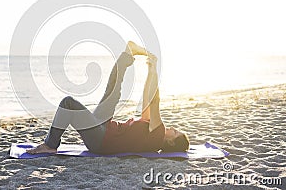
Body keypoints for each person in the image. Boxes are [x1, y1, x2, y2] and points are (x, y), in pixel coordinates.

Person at [27, 41, 189, 155]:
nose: (172, 128)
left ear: (171, 142)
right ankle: (128, 53)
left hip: (101, 141)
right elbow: (148, 97)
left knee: (68, 103)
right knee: (113, 92)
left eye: (175, 132)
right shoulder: (151, 130)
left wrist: (154, 70)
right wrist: (150, 69)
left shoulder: (157, 135)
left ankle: (50, 145)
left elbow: (155, 101)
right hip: (106, 127)